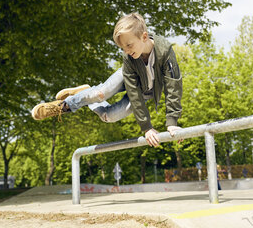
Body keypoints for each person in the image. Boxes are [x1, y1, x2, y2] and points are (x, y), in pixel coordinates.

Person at [31, 13, 183, 147]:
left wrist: (172, 122)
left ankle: (84, 91)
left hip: (145, 92)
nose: (127, 51)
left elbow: (173, 87)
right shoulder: (129, 58)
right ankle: (64, 106)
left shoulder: (165, 53)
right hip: (128, 79)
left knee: (108, 117)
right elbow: (133, 92)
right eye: (123, 48)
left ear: (144, 37)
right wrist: (147, 128)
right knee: (101, 93)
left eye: (129, 45)